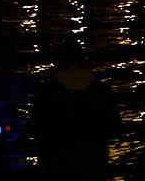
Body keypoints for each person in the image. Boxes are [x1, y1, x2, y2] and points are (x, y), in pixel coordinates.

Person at [31, 39, 122, 180]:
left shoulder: (47, 91)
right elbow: (115, 127)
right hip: (93, 161)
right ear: (83, 61)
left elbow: (35, 127)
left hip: (57, 163)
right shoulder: (101, 90)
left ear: (59, 61)